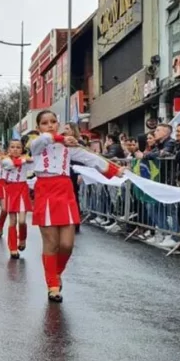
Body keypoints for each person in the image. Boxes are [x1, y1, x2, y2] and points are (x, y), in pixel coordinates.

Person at [30, 110, 121, 302]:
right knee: (51, 243)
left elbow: (91, 158)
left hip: (64, 191)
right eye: (45, 123)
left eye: (53, 121)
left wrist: (114, 170)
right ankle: (52, 286)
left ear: (59, 123)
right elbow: (43, 140)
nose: (50, 125)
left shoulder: (68, 146)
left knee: (67, 244)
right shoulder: (36, 144)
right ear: (38, 127)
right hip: (45, 191)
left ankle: (56, 273)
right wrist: (60, 138)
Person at [0, 139, 33, 259]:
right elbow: (11, 165)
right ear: (8, 149)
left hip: (22, 189)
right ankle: (13, 248)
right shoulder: (5, 160)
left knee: (22, 221)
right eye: (12, 147)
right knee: (12, 220)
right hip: (10, 189)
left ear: (22, 149)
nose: (15, 149)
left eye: (18, 147)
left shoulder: (26, 159)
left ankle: (22, 239)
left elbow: (37, 165)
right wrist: (25, 160)